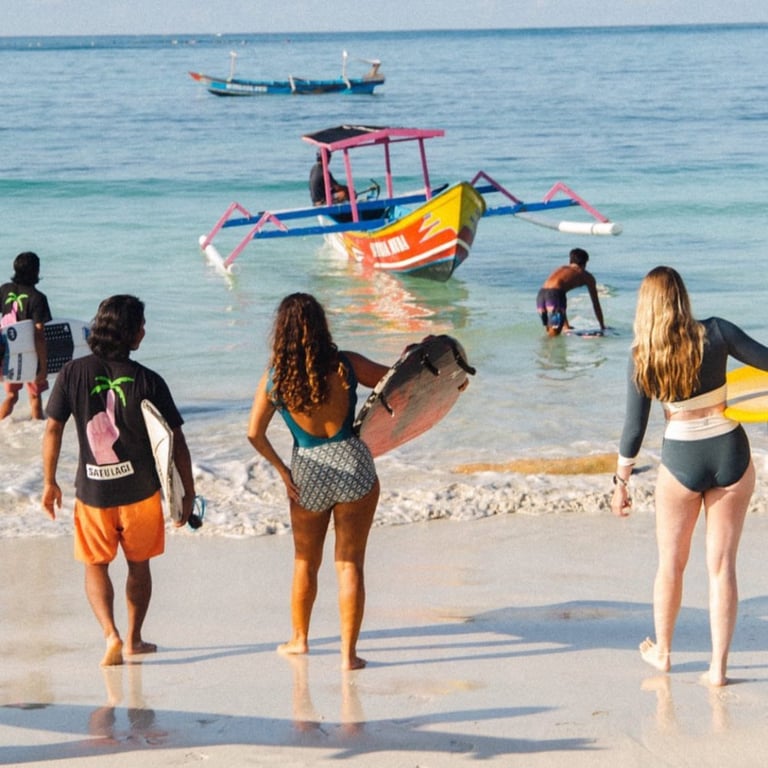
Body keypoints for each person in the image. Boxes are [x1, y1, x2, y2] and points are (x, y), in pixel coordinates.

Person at [611, 266, 768, 686]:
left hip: (681, 460)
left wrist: (621, 483)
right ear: (682, 296)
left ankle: (663, 653)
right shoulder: (717, 332)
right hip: (731, 453)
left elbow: (633, 429)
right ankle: (717, 669)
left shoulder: (642, 354)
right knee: (722, 568)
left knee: (671, 566)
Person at [42, 295, 195, 667]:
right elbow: (175, 442)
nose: (144, 330)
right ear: (128, 332)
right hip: (141, 494)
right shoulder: (149, 380)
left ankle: (110, 634)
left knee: (96, 565)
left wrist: (49, 481)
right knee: (138, 565)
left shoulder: (71, 373)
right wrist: (186, 492)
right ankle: (133, 640)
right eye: (140, 325)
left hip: (94, 492)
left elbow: (52, 429)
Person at [247, 293, 389, 670]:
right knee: (350, 564)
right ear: (322, 325)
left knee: (305, 562)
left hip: (308, 472)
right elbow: (397, 383)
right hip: (355, 466)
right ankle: (348, 655)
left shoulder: (275, 378)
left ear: (282, 331)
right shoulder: (347, 364)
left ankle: (300, 640)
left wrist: (283, 471)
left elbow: (254, 434)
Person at [0, 251, 52, 419]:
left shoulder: (4, 289)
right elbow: (39, 334)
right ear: (36, 271)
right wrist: (43, 368)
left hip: (9, 352)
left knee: (11, 396)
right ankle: (37, 431)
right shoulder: (38, 298)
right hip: (31, 355)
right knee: (35, 396)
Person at [536, 247, 605, 336]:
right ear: (585, 262)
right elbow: (596, 304)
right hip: (554, 296)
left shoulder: (561, 269)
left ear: (570, 260)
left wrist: (566, 326)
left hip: (541, 295)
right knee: (553, 336)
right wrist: (602, 326)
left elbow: (560, 299)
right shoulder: (587, 276)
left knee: (550, 331)